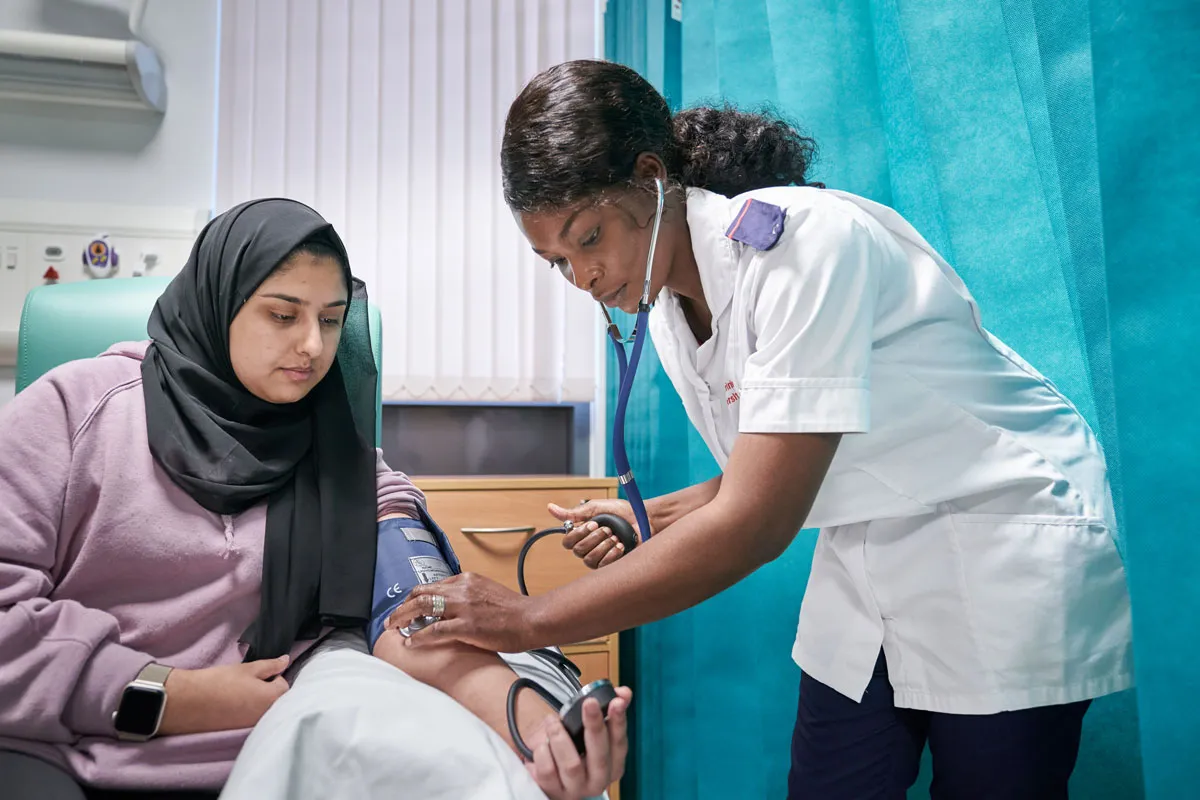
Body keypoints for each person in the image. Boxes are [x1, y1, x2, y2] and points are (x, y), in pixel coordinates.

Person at [387, 59, 1134, 799]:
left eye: (589, 238)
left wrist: (526, 619)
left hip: (1000, 537)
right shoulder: (674, 300)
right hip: (872, 551)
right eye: (556, 261)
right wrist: (646, 517)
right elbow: (770, 458)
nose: (583, 278)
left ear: (652, 177)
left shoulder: (803, 246)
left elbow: (758, 519)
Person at [0, 198, 627, 800]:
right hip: (59, 744)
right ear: (219, 305)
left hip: (262, 755)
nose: (312, 346)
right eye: (282, 314)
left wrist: (534, 735)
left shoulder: (347, 463)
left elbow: (412, 611)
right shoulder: (73, 412)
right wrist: (174, 695)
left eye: (330, 320)